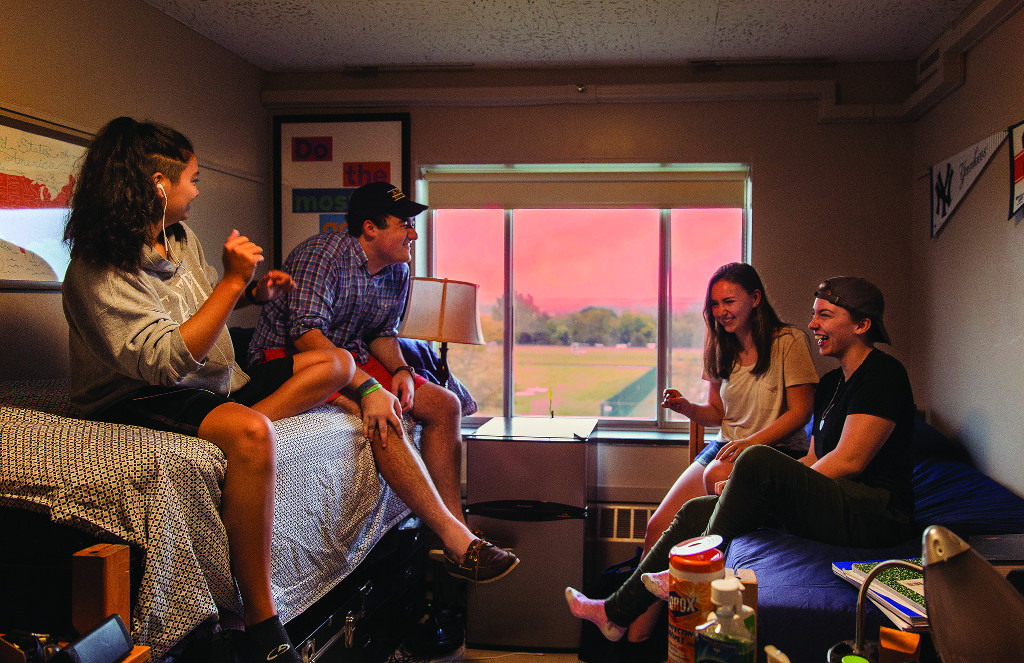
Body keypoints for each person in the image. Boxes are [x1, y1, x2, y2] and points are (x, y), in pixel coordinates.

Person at [61, 117, 359, 663]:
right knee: (250, 434)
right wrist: (232, 280)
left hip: (212, 381)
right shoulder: (98, 267)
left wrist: (252, 294)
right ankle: (263, 626)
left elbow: (201, 312)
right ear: (157, 185)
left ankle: (248, 424)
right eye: (192, 179)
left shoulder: (180, 238)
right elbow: (164, 361)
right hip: (138, 392)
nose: (197, 191)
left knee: (337, 363)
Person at [566, 276, 917, 642]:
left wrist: (770, 484)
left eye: (825, 316)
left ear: (862, 325)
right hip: (836, 501)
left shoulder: (883, 374)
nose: (813, 324)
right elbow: (815, 456)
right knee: (696, 510)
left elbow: (848, 461)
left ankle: (690, 570)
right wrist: (748, 490)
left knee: (755, 459)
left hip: (875, 512)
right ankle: (614, 613)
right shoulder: (832, 384)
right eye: (814, 315)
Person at [248, 181, 518, 583]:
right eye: (404, 225)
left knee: (445, 404)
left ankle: (455, 536)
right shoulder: (320, 255)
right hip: (292, 359)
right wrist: (369, 390)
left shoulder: (398, 271)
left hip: (348, 357)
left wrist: (401, 371)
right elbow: (307, 335)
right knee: (384, 415)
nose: (413, 234)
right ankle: (457, 539)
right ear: (370, 228)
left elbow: (381, 333)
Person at [627, 262, 818, 644]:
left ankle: (683, 628)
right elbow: (716, 413)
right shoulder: (719, 345)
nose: (721, 311)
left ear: (755, 298)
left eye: (729, 301)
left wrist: (751, 443)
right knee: (656, 526)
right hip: (725, 445)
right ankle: (634, 638)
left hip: (773, 451)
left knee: (707, 507)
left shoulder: (788, 340)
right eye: (714, 304)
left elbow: (801, 412)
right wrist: (685, 407)